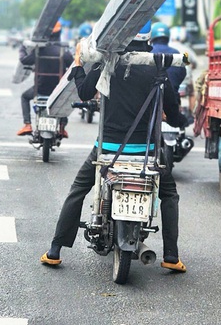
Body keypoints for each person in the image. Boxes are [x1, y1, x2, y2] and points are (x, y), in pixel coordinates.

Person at [40, 22, 189, 272]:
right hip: (147, 152)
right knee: (169, 195)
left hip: (107, 149)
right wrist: (175, 117)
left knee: (79, 189)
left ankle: (55, 250)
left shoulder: (108, 63)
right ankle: (171, 256)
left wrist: (78, 65)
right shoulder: (159, 67)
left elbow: (85, 93)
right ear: (149, 39)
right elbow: (174, 117)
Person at [16, 22, 73, 137]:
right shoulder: (64, 52)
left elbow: (24, 60)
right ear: (59, 34)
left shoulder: (38, 51)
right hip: (57, 91)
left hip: (40, 89)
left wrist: (23, 48)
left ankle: (27, 124)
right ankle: (62, 127)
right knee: (65, 100)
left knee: (24, 97)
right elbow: (73, 67)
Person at [150, 22, 186, 95]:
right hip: (172, 100)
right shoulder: (176, 53)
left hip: (150, 102)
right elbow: (182, 73)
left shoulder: (148, 52)